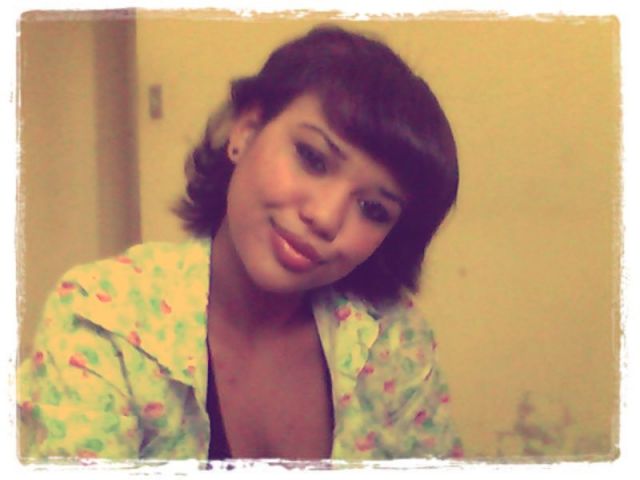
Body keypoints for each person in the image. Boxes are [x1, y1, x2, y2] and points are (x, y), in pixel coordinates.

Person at [18, 25, 463, 462]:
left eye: (373, 209)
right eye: (312, 158)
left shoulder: (392, 343)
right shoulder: (104, 318)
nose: (326, 217)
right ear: (245, 131)